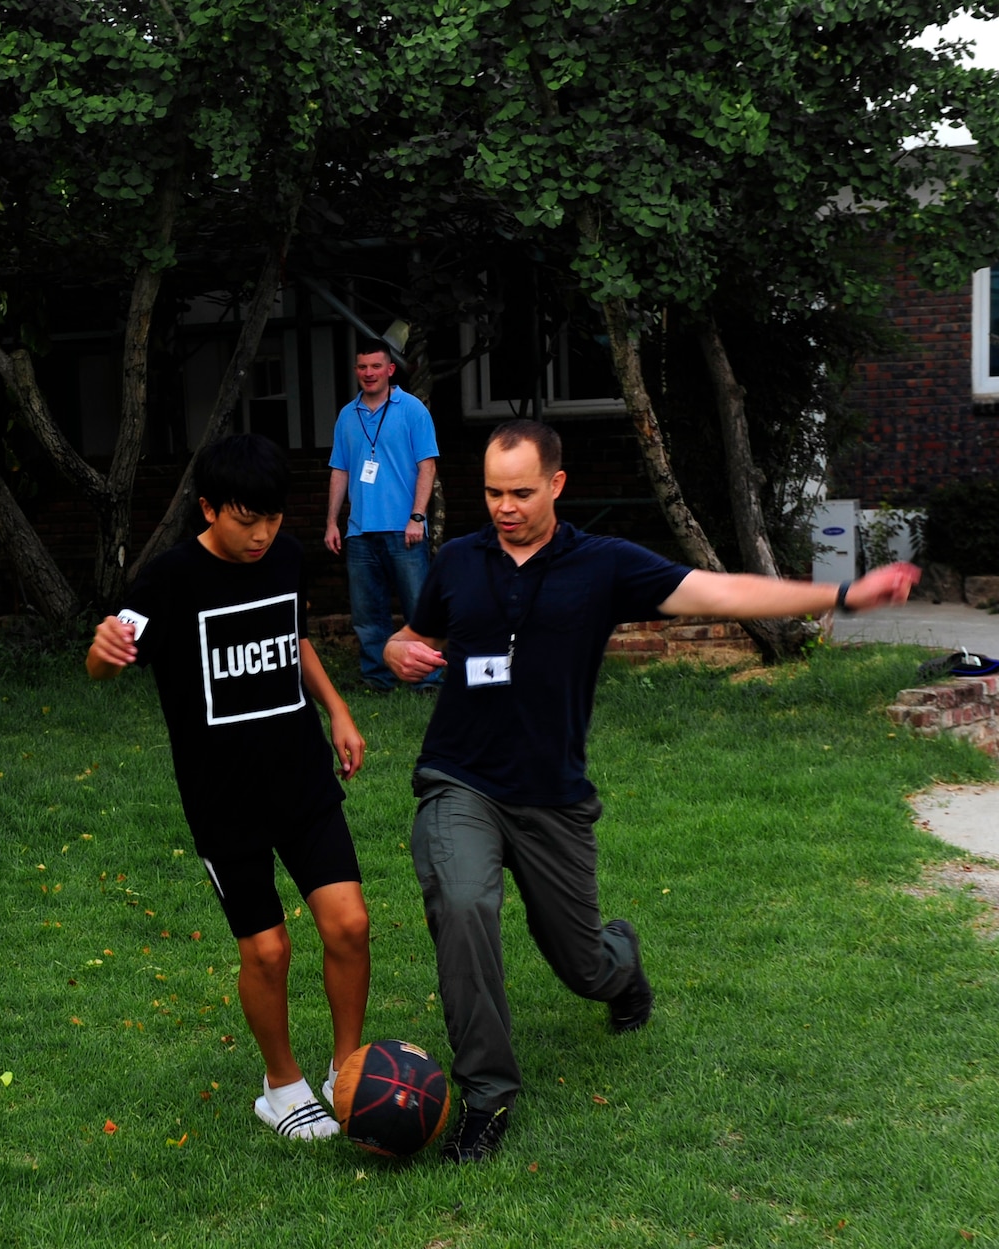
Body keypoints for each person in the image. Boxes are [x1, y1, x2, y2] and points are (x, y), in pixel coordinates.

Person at [383, 419, 920, 1163]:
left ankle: (621, 964)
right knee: (464, 902)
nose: (504, 506)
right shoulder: (459, 560)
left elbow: (720, 590)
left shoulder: (602, 565)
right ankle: (487, 1095)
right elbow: (413, 634)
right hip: (460, 776)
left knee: (582, 964)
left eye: (521, 492)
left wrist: (843, 594)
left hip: (552, 795)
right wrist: (399, 650)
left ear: (557, 485)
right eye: (492, 491)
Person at [88, 433, 372, 1140]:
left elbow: (295, 635)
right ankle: (281, 1084)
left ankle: (348, 1068)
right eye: (247, 518)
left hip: (300, 779)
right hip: (225, 800)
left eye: (273, 517)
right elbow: (109, 660)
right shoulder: (167, 581)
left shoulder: (287, 554)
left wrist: (337, 710)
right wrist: (102, 654)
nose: (263, 533)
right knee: (268, 949)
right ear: (209, 509)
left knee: (350, 923)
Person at [325, 339, 441, 692]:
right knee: (366, 615)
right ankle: (378, 679)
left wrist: (417, 517)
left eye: (376, 366)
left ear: (390, 370)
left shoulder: (412, 410)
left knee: (419, 610)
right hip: (359, 532)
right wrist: (332, 522)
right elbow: (339, 472)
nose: (368, 373)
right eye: (362, 367)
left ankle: (427, 680)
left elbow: (428, 467)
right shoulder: (348, 415)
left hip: (403, 529)